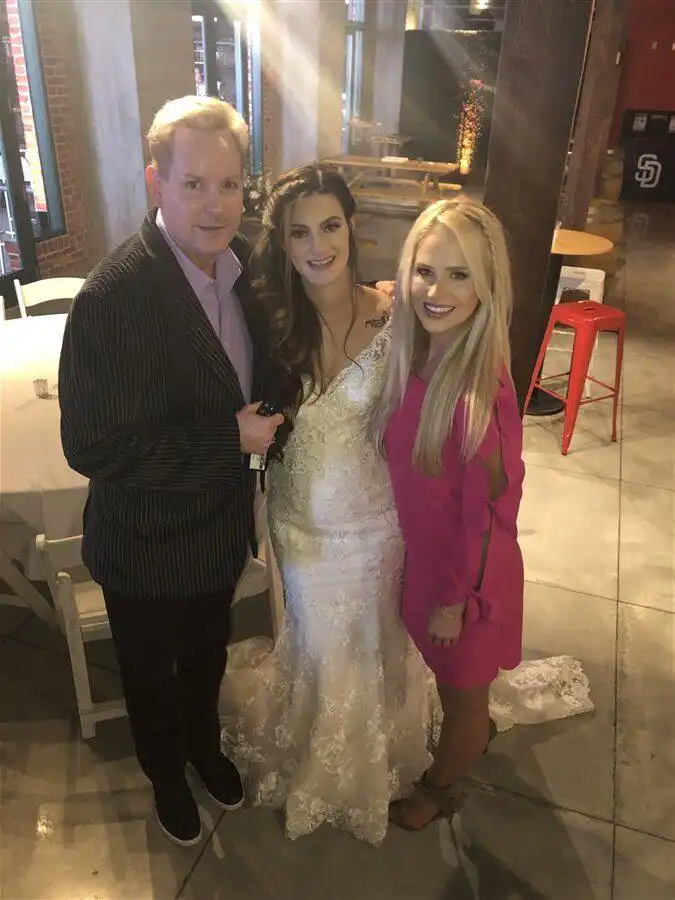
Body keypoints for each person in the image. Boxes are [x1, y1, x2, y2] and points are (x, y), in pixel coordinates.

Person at [59, 96, 284, 847]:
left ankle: (204, 750)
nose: (215, 205)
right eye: (194, 184)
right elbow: (93, 446)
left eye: (229, 184)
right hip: (145, 544)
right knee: (151, 679)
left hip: (217, 532)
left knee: (206, 660)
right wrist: (228, 441)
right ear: (157, 182)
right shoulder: (112, 296)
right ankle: (165, 777)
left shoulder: (243, 265)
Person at [219, 164, 439, 846]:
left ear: (353, 228)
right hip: (301, 520)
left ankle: (382, 746)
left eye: (330, 226)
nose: (318, 246)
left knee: (375, 638)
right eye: (299, 233)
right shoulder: (267, 322)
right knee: (318, 641)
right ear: (282, 242)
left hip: (376, 520)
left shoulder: (397, 316)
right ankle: (317, 750)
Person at [371, 198, 589, 831]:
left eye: (459, 275)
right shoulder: (420, 354)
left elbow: (487, 519)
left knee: (464, 704)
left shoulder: (476, 398)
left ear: (487, 286)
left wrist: (453, 600)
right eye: (425, 271)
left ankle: (439, 791)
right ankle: (469, 734)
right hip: (428, 564)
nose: (436, 292)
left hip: (465, 580)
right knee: (450, 688)